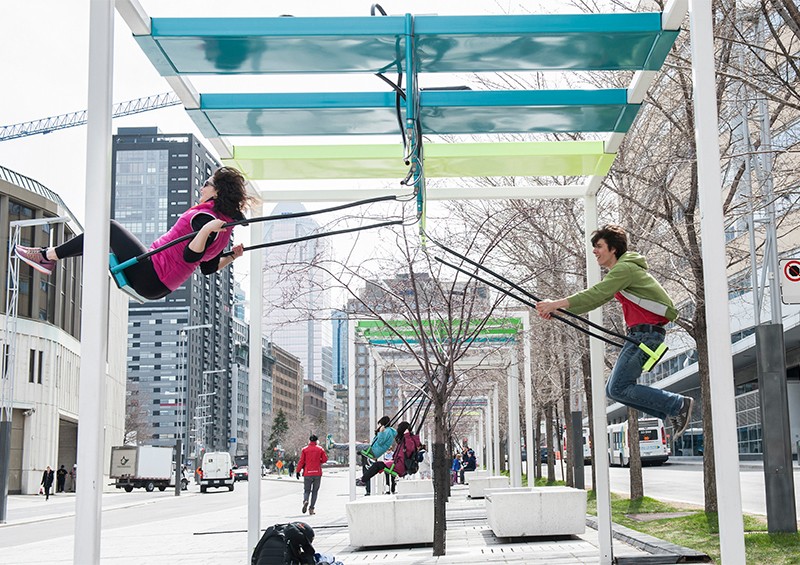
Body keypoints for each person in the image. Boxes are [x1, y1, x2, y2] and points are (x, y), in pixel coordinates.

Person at [535, 224, 694, 439]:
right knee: (613, 390)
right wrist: (558, 310)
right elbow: (596, 299)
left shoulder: (625, 269)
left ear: (613, 249)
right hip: (640, 335)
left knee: (619, 388)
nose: (594, 251)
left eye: (599, 246)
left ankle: (677, 405)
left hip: (645, 335)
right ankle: (672, 410)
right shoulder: (622, 271)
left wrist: (555, 304)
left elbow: (596, 294)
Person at [14, 166, 252, 300]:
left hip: (152, 275)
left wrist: (207, 230)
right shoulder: (221, 227)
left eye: (207, 183)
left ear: (217, 192)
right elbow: (207, 267)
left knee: (109, 228)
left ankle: (47, 256)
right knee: (103, 238)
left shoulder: (208, 220)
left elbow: (191, 256)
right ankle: (49, 257)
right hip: (159, 285)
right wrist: (232, 256)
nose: (202, 187)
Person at [356, 421, 420, 488]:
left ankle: (363, 480)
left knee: (377, 465)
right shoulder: (405, 439)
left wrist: (407, 435)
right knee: (377, 465)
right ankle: (364, 479)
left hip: (400, 466)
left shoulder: (408, 439)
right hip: (398, 463)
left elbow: (410, 448)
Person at [296, 434, 328, 515]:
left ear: (309, 441)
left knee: (307, 490)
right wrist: (319, 461)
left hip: (307, 473)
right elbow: (325, 459)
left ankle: (305, 500)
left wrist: (298, 471)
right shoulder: (320, 449)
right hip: (317, 473)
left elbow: (301, 461)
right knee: (315, 491)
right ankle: (311, 509)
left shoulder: (305, 450)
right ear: (317, 441)